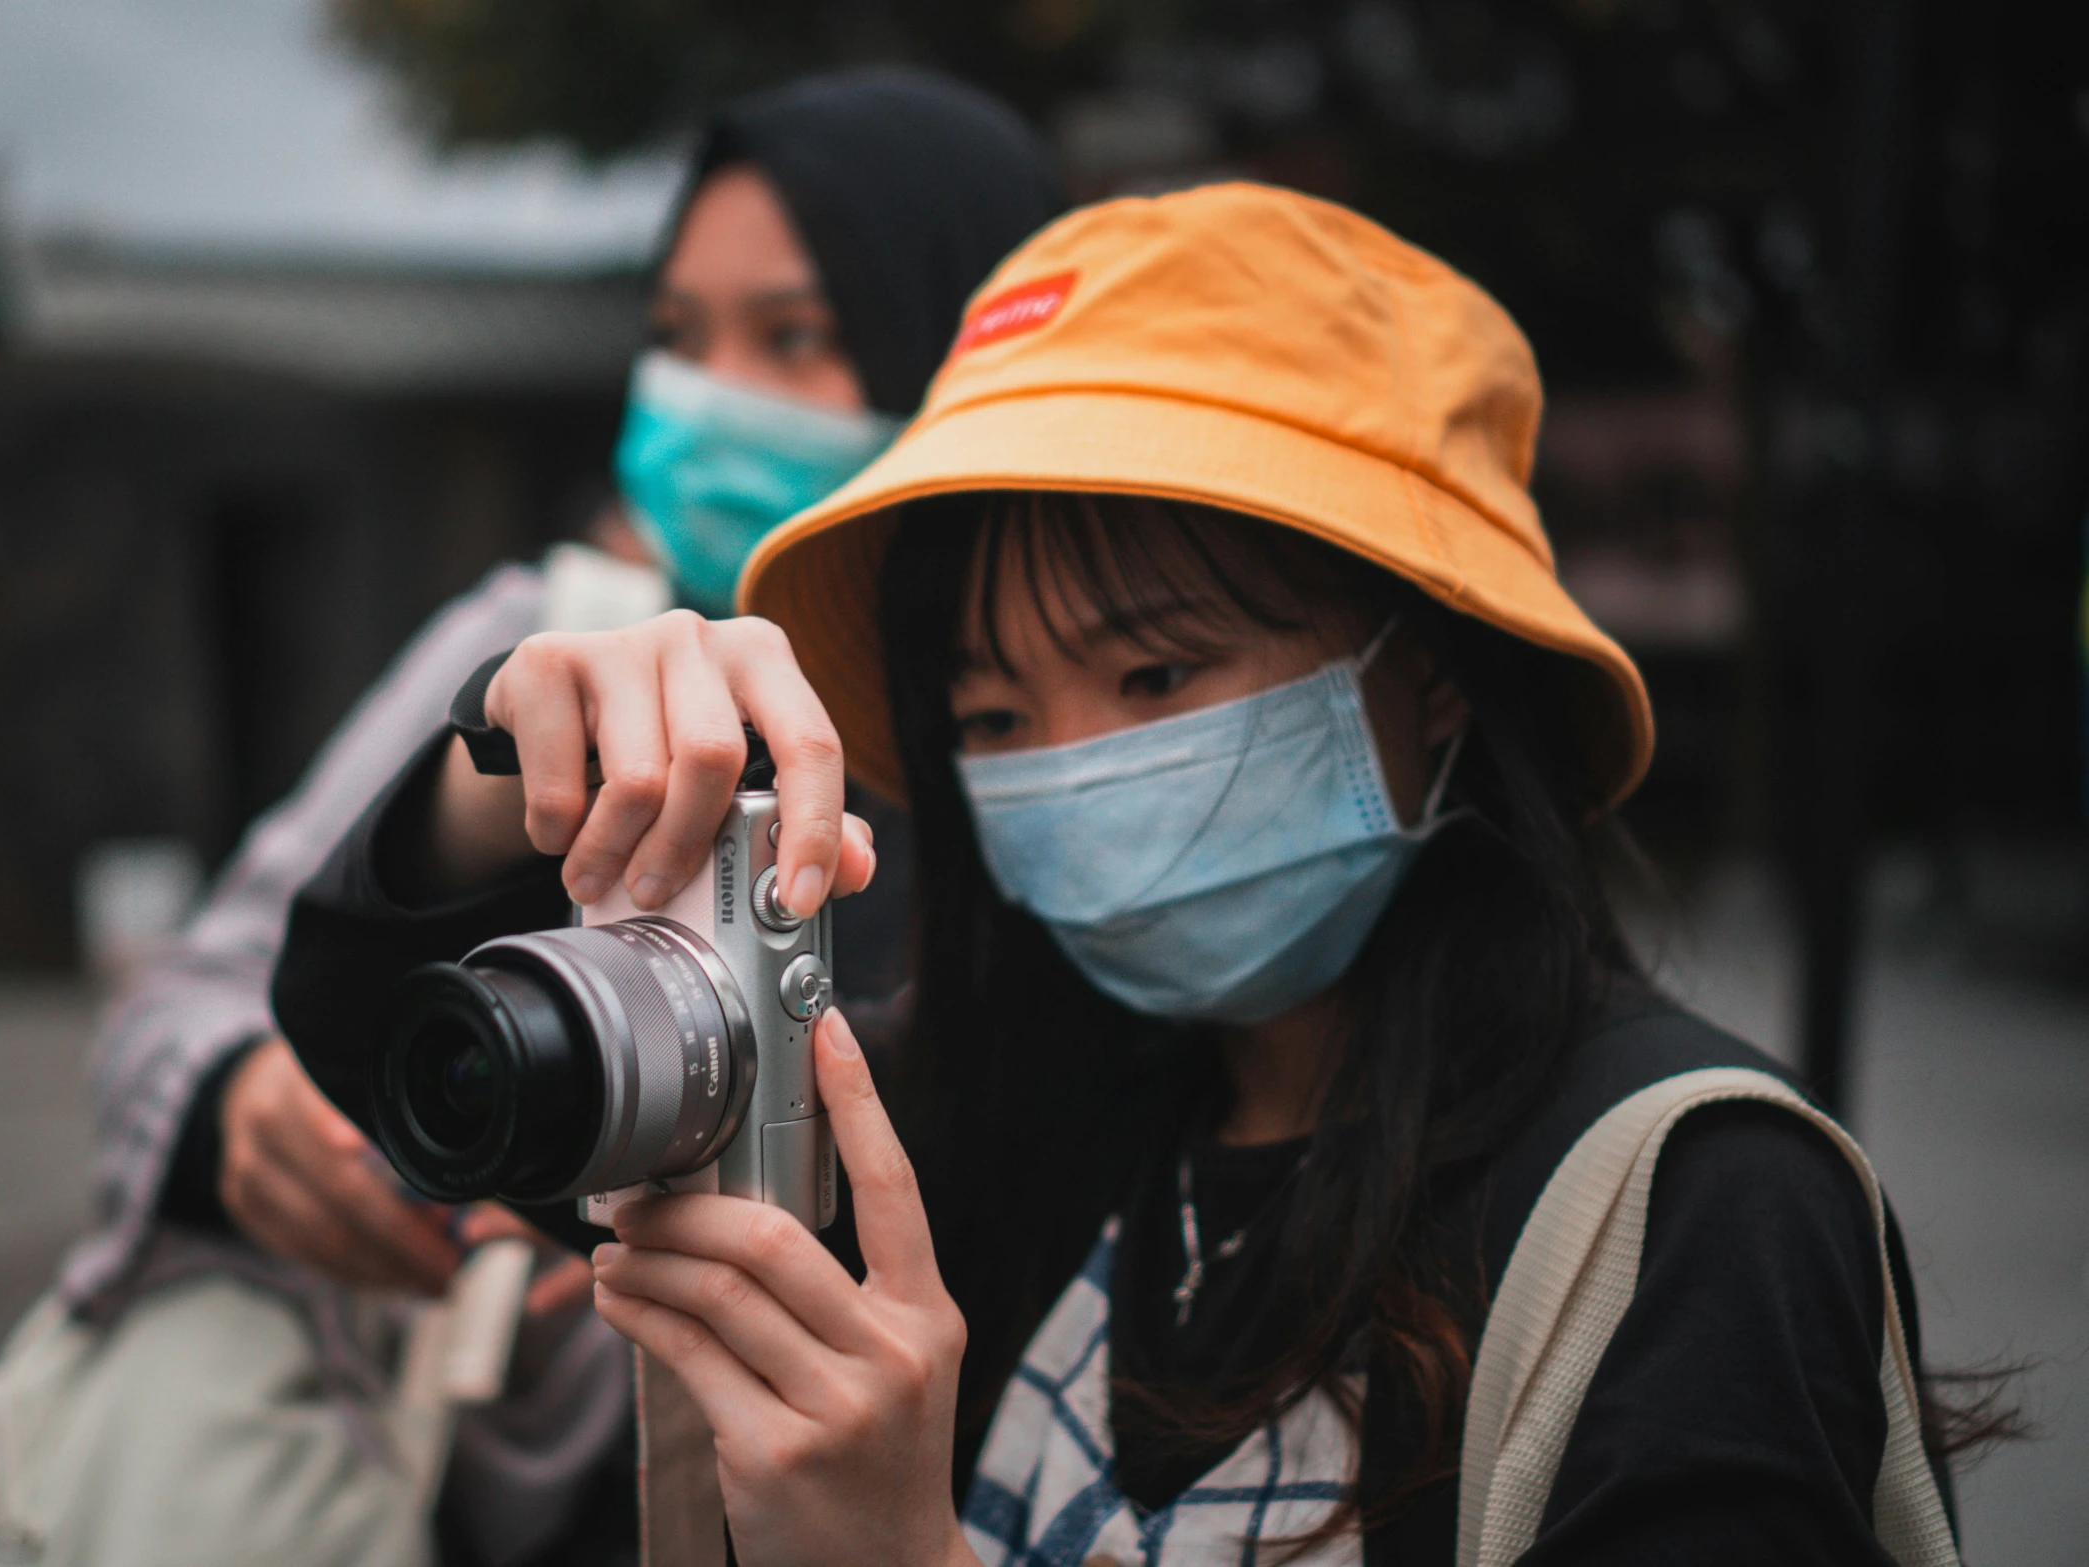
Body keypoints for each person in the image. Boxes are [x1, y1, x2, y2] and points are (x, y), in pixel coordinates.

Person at [271, 184, 1982, 1565]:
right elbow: (390, 1050)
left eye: (1155, 676)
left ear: (1438, 668)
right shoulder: (987, 1117)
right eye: (991, 711)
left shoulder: (1684, 1211)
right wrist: (508, 761)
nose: (1072, 764)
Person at [0, 68, 1064, 1567]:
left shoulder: (1038, 735)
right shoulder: (547, 642)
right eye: (675, 338)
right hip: (431, 1473)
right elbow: (202, 989)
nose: (704, 398)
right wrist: (251, 1099)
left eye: (794, 336)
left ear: (959, 349)